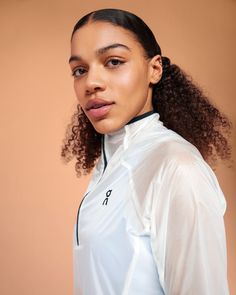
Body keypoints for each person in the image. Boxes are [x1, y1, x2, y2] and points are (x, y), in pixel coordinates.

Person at [62, 8, 231, 295]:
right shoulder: (111, 166)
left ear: (154, 69)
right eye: (80, 70)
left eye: (114, 61)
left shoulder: (177, 168)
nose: (91, 83)